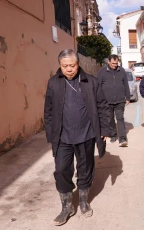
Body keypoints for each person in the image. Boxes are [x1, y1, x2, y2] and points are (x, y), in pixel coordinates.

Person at [44, 49, 110, 226]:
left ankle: (82, 201)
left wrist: (104, 128)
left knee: (85, 169)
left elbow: (103, 106)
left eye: (72, 65)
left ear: (78, 64)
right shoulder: (53, 83)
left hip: (86, 134)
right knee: (61, 170)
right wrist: (51, 133)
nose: (69, 69)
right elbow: (48, 111)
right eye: (65, 66)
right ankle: (66, 207)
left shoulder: (91, 82)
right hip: (63, 136)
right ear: (60, 66)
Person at [97, 54, 131, 147]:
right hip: (107, 101)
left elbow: (126, 84)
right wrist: (99, 99)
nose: (115, 65)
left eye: (116, 63)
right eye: (113, 63)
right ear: (108, 62)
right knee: (110, 119)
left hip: (120, 100)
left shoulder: (122, 70)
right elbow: (98, 86)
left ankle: (123, 138)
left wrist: (127, 97)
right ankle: (113, 135)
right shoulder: (102, 72)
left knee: (120, 118)